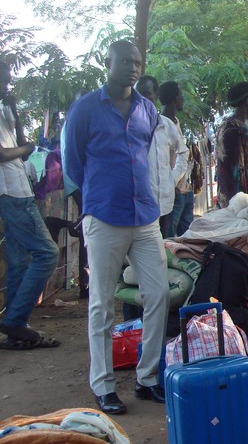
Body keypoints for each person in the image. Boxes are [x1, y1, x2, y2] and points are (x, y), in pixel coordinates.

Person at [64, 40, 170, 414]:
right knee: (101, 304)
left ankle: (147, 378)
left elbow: (150, 157)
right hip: (105, 216)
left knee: (158, 294)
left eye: (137, 62)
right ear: (106, 63)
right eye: (125, 61)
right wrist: (94, 200)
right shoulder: (85, 109)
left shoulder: (147, 110)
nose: (133, 68)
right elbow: (73, 165)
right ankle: (104, 386)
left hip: (144, 217)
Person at [0, 60, 60, 351]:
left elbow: (22, 151)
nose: (7, 87)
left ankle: (15, 330)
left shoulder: (3, 114)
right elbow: (5, 154)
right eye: (4, 81)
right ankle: (15, 319)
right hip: (11, 194)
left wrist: (15, 114)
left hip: (17, 190)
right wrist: (28, 149)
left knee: (19, 262)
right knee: (48, 253)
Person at [136, 75, 182, 238]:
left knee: (165, 244)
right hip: (142, 205)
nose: (141, 98)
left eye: (147, 93)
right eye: (138, 93)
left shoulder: (165, 123)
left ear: (156, 95)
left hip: (166, 201)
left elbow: (183, 152)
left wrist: (173, 178)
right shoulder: (128, 125)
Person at [215, 82, 248, 208]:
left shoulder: (228, 126)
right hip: (239, 204)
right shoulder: (236, 130)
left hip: (232, 202)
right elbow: (245, 172)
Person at [160, 82, 195, 237]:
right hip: (174, 191)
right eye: (181, 96)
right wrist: (172, 181)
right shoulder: (161, 123)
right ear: (175, 98)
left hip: (184, 189)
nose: (182, 99)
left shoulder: (175, 122)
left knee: (187, 237)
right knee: (169, 237)